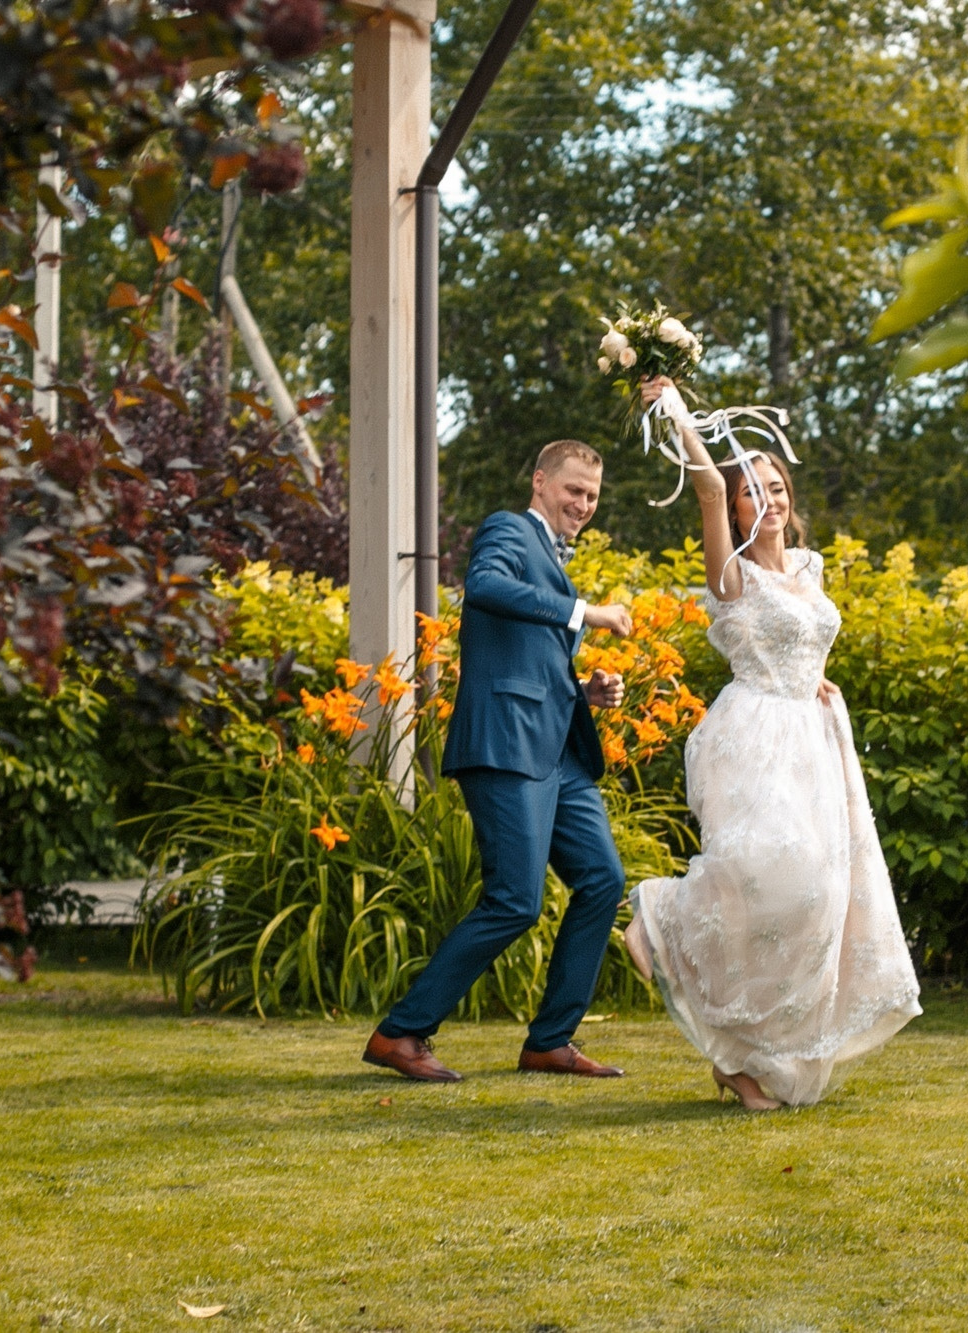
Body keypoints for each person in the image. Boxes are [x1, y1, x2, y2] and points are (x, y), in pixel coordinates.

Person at [623, 377, 921, 1109]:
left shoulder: (811, 569)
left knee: (819, 895)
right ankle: (661, 919)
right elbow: (704, 488)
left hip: (814, 740)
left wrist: (816, 679)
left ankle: (745, 1059)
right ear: (739, 506)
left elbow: (808, 635)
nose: (769, 498)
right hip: (754, 733)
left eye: (777, 485)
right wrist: (676, 414)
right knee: (763, 869)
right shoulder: (733, 576)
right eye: (752, 490)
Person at [363, 440, 635, 1083]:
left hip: (557, 751)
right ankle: (401, 1032)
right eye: (573, 490)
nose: (583, 504)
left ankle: (550, 1041)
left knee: (602, 880)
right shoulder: (508, 530)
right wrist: (583, 612)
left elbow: (534, 663)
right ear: (540, 481)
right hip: (505, 743)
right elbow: (484, 587)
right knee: (515, 898)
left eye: (592, 496)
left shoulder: (555, 560)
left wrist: (585, 692)